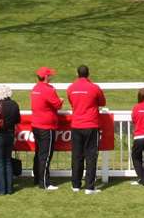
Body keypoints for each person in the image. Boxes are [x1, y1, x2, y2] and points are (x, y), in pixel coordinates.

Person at [66, 65, 106, 194]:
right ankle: (89, 186)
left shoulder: (71, 88)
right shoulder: (94, 88)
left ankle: (76, 184)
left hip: (76, 125)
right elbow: (102, 102)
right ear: (88, 74)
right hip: (91, 125)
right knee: (91, 156)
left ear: (77, 74)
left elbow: (72, 102)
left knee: (77, 156)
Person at [29, 67, 63, 191]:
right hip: (46, 126)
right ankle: (44, 182)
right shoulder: (48, 90)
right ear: (46, 77)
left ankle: (37, 178)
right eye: (50, 75)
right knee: (46, 155)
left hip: (36, 125)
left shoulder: (35, 88)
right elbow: (57, 104)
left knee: (39, 154)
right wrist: (61, 100)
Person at [0, 85, 21, 195]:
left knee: (0, 163)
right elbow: (18, 120)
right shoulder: (15, 104)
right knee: (7, 161)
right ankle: (10, 189)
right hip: (10, 134)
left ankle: (1, 189)